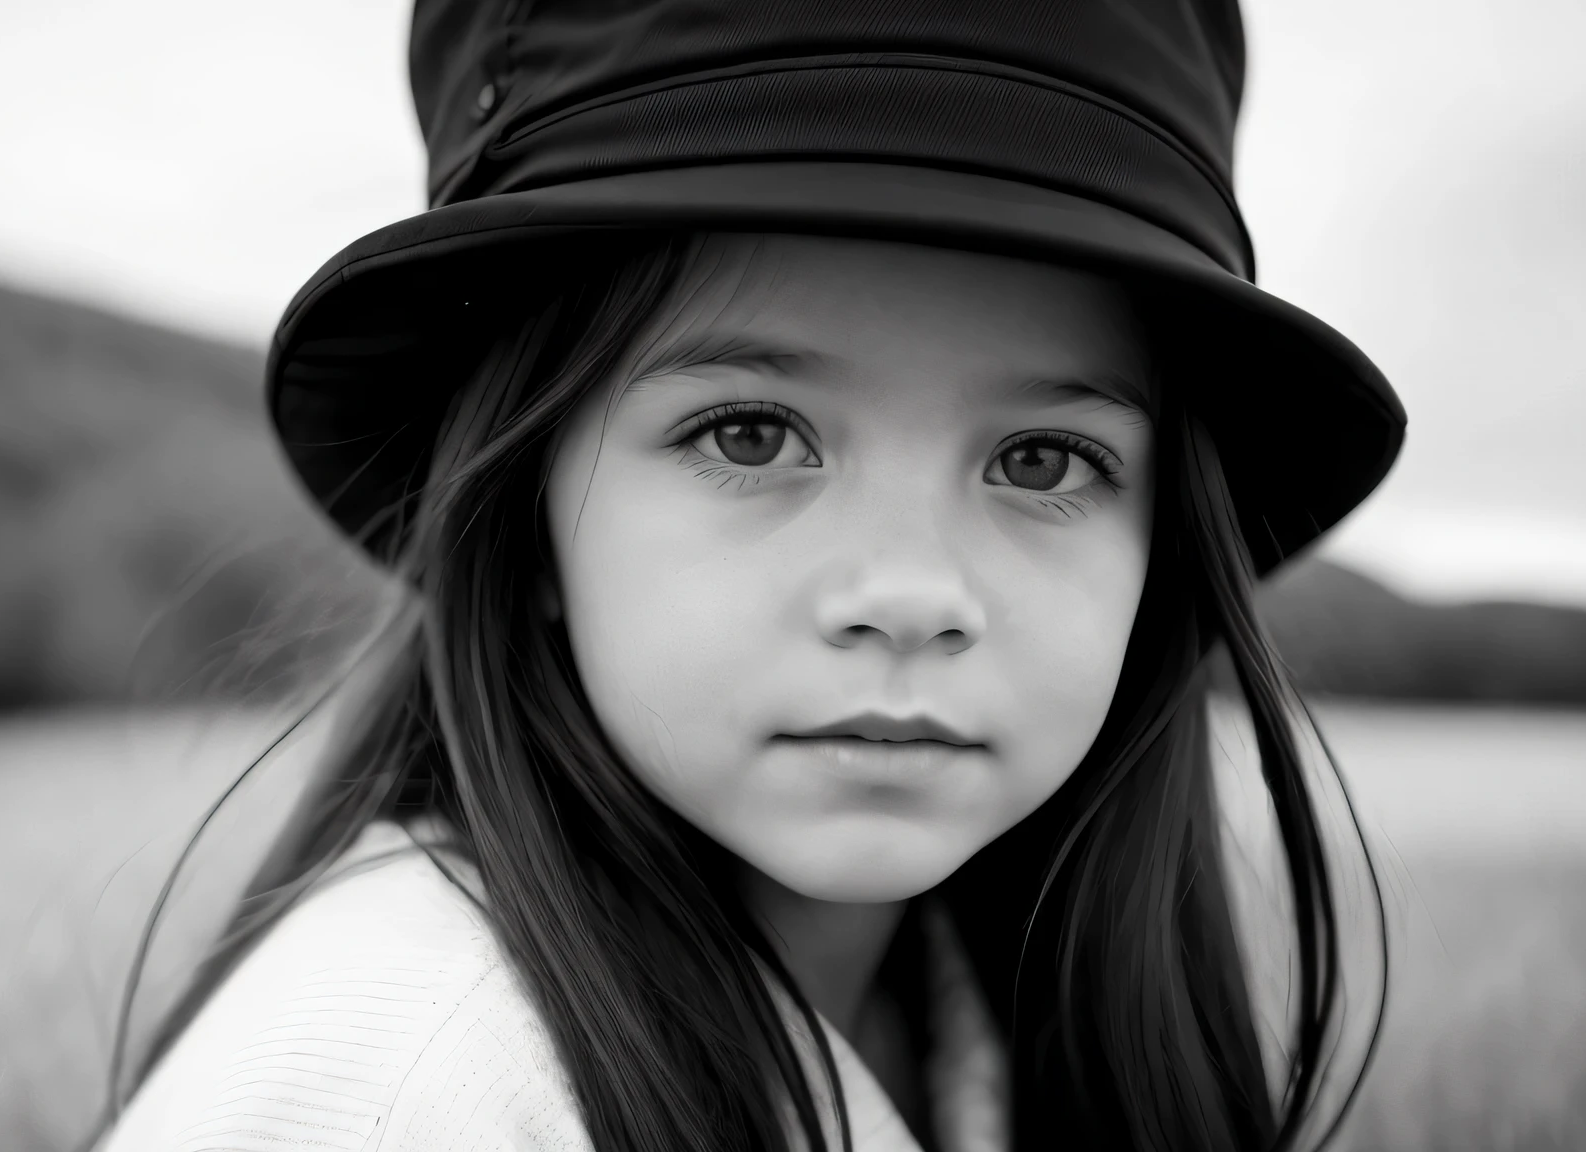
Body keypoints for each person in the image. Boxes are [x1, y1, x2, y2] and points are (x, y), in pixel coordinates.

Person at [97, 2, 1402, 1150]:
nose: (909, 591)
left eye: (1045, 459)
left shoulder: (1008, 1020)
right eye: (752, 434)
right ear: (523, 512)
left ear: (1159, 543)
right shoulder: (386, 1105)